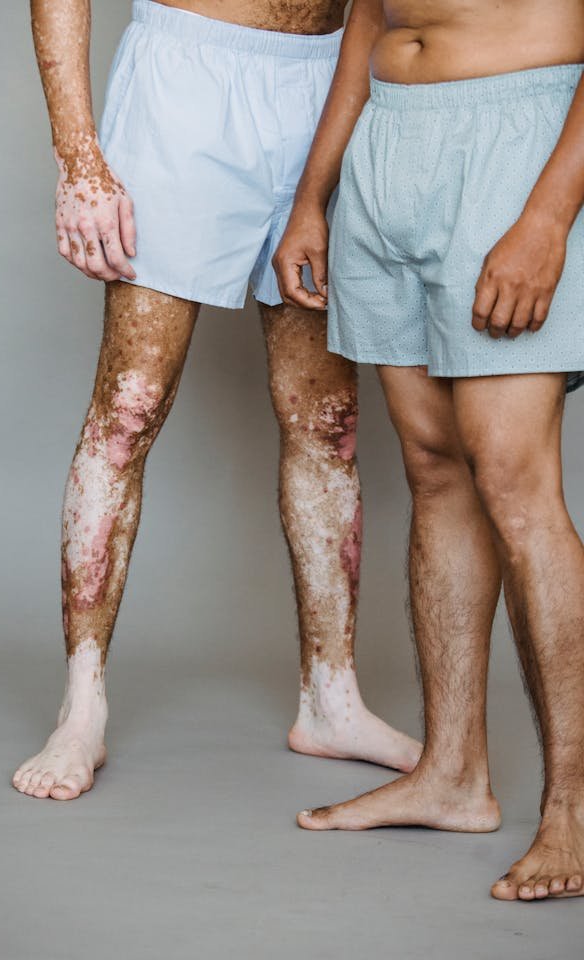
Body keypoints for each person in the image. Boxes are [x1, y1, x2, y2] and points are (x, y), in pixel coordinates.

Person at [12, 0, 421, 803]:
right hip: (187, 80)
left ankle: (332, 700)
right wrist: (77, 155)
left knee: (329, 423)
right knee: (129, 409)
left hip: (331, 81)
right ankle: (81, 705)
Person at [275, 0, 584, 902]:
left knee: (516, 487)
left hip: (515, 138)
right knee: (436, 472)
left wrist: (549, 217)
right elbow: (370, 17)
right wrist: (312, 195)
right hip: (388, 143)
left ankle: (573, 808)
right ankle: (452, 775)